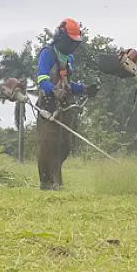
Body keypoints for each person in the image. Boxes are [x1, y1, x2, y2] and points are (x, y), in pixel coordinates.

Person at [35, 18, 98, 190]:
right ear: (60, 38)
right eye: (70, 42)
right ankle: (47, 182)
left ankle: (56, 177)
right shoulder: (47, 53)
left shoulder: (68, 57)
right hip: (48, 105)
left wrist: (84, 89)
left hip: (65, 106)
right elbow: (42, 79)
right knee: (48, 143)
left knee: (65, 146)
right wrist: (54, 90)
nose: (72, 46)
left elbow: (68, 84)